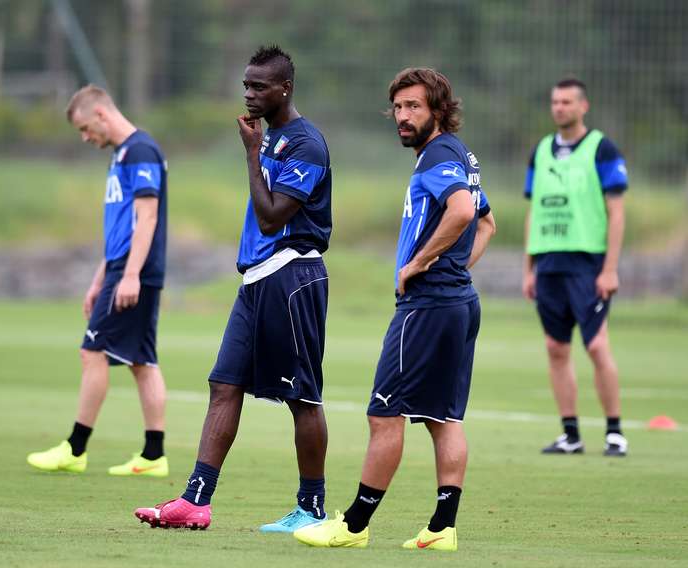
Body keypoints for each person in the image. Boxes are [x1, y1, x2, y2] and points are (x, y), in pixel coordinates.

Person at [294, 68, 495, 551]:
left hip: (427, 307)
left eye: (414, 108)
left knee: (385, 416)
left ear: (439, 111)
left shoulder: (440, 154)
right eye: (399, 108)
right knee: (443, 418)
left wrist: (422, 264)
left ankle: (354, 527)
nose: (403, 117)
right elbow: (488, 221)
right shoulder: (459, 156)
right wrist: (453, 268)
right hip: (459, 301)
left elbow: (466, 212)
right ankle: (442, 528)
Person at [134, 45, 332, 532]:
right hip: (257, 280)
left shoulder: (305, 144)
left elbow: (271, 218)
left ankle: (312, 508)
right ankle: (195, 500)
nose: (248, 94)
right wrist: (258, 148)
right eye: (246, 85)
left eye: (258, 86)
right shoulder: (273, 138)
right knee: (224, 385)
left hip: (292, 279)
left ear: (284, 88)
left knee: (302, 397)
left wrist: (251, 151)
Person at [26, 85, 170, 477]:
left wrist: (129, 276)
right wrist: (98, 278)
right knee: (142, 360)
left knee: (92, 352)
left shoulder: (141, 151)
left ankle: (75, 449)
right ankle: (154, 456)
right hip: (123, 268)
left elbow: (148, 218)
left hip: (133, 271)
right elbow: (121, 228)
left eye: (86, 128)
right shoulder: (123, 155)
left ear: (102, 115)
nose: (86, 137)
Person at [522, 78, 628, 457]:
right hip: (549, 262)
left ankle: (615, 432)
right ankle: (571, 434)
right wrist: (528, 268)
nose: (559, 107)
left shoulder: (602, 149)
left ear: (584, 106)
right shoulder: (541, 151)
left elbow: (616, 213)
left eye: (567, 101)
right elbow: (533, 211)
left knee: (597, 345)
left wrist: (610, 268)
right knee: (556, 346)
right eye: (555, 101)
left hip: (588, 262)